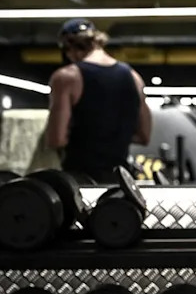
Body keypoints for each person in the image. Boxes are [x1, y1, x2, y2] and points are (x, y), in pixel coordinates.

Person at [44, 19, 152, 184]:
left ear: (68, 48)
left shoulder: (67, 77)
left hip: (81, 181)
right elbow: (144, 135)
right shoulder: (134, 77)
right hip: (121, 182)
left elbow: (56, 138)